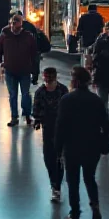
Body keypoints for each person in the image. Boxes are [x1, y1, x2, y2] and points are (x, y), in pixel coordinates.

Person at [55, 66, 109, 219]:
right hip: (92, 146)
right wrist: (103, 142)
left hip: (72, 147)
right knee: (89, 178)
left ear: (75, 81)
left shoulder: (66, 100)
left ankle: (75, 217)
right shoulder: (96, 100)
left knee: (73, 182)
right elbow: (106, 125)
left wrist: (58, 150)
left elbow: (60, 127)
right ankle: (94, 205)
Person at [33, 67, 69, 203]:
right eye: (46, 78)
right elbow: (36, 109)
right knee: (49, 158)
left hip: (61, 129)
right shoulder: (40, 92)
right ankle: (54, 183)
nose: (48, 81)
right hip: (47, 129)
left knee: (59, 157)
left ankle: (56, 186)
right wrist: (37, 120)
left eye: (50, 78)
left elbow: (68, 109)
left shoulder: (63, 91)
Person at [0, 14, 38, 127]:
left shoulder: (28, 36)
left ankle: (27, 115)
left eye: (17, 23)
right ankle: (14, 117)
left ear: (21, 24)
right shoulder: (5, 34)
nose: (14, 26)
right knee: (13, 95)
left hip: (25, 70)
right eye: (13, 23)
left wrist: (35, 71)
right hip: (10, 70)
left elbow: (34, 54)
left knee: (25, 95)